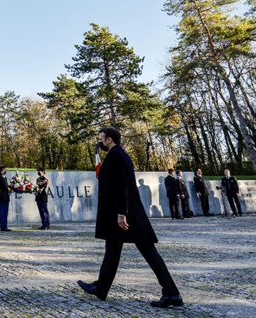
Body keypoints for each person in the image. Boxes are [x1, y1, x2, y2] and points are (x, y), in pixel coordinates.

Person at [77, 127, 182, 308]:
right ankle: (101, 288)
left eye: (101, 139)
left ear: (109, 140)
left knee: (148, 252)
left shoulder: (116, 156)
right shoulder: (118, 154)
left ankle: (172, 293)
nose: (99, 143)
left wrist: (121, 213)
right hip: (123, 213)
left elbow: (122, 186)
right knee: (112, 249)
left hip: (127, 214)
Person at [0, 165, 11, 231]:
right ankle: (4, 227)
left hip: (0, 195)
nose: (5, 171)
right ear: (2, 170)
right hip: (4, 196)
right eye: (4, 170)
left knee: (2, 212)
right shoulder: (2, 178)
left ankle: (3, 227)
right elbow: (6, 187)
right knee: (4, 212)